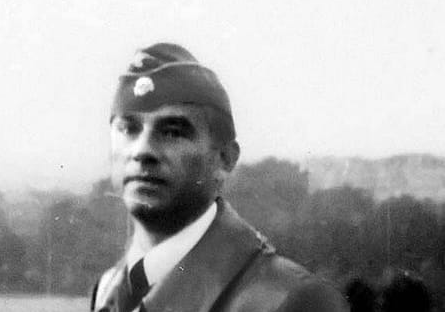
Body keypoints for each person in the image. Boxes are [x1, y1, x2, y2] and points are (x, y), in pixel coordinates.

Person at [91, 42, 346, 312]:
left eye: (173, 132)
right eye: (128, 128)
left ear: (224, 159)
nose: (142, 150)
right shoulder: (109, 289)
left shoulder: (291, 300)